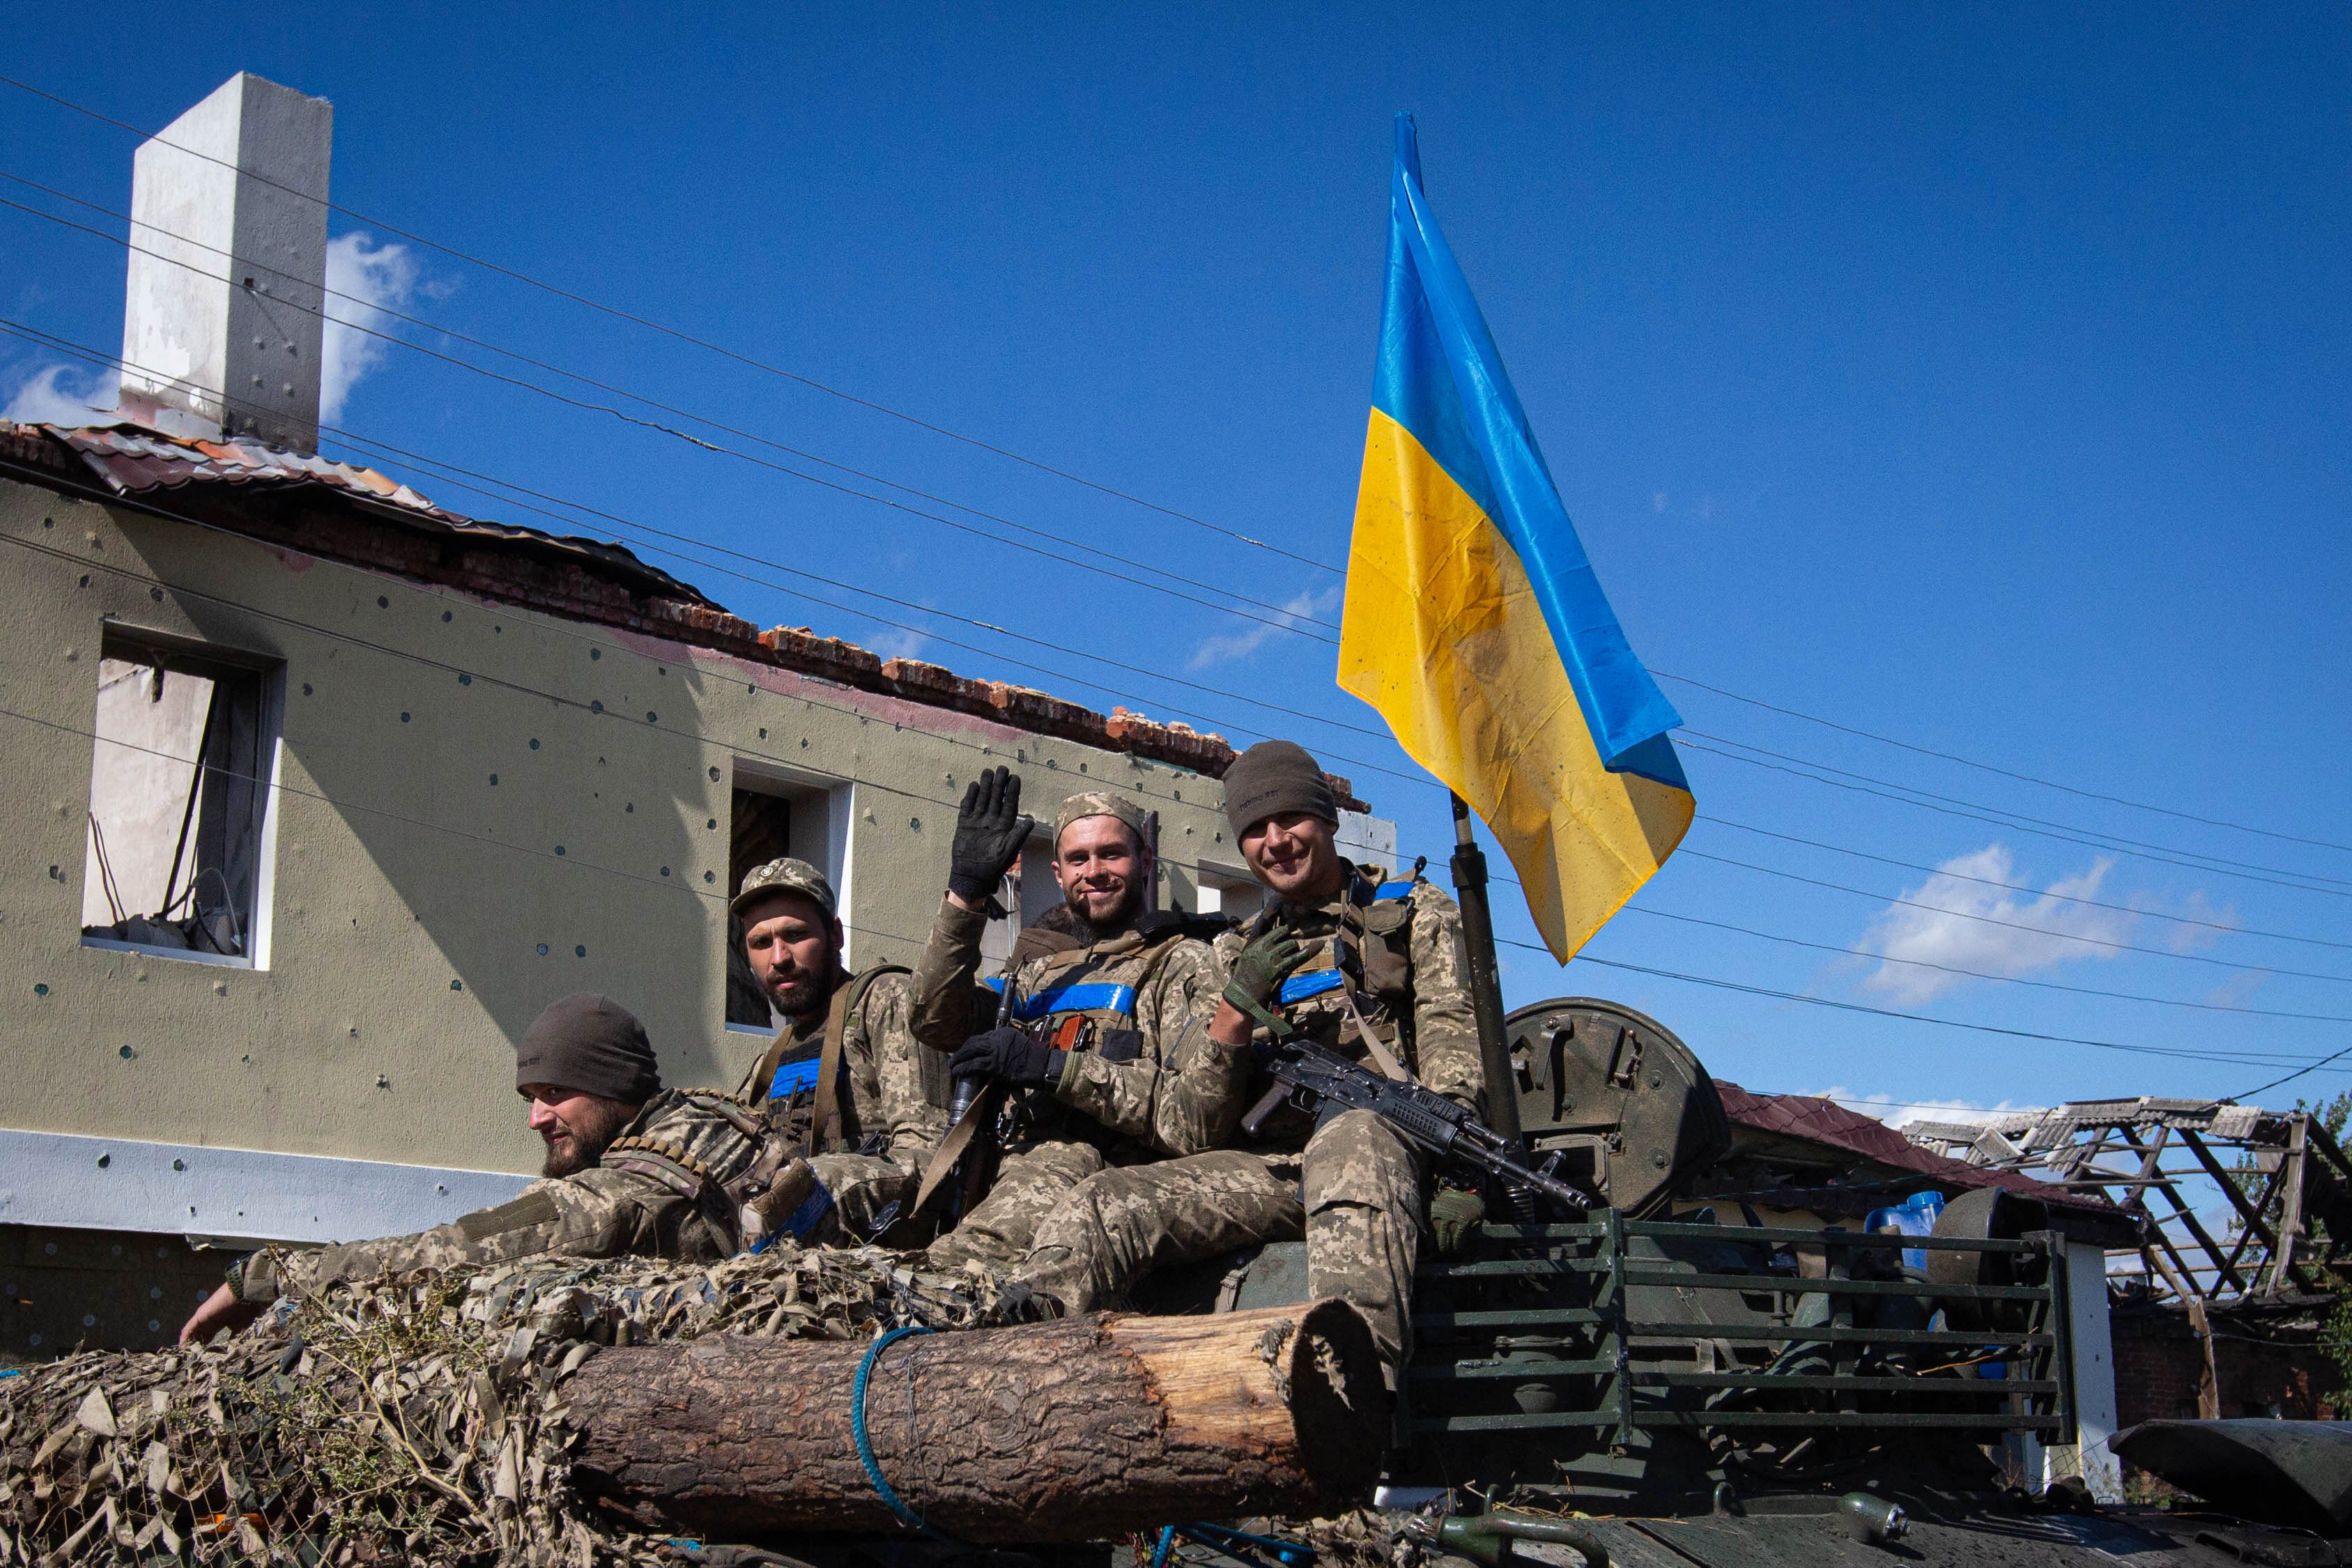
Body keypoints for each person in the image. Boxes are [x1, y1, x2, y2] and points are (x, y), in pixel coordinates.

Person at [1008, 739, 1482, 1382]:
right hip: (1275, 1168)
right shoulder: (1233, 950)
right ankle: (1010, 1373)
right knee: (1103, 1201)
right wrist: (1235, 1009)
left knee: (1352, 1137)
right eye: (1255, 828)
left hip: (1390, 1149)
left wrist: (1464, 1177)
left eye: (1291, 819)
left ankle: (1354, 1403)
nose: (1276, 840)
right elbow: (1194, 1121)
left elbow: (1456, 1042)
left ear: (1330, 820)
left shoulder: (1410, 914)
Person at [178, 992, 792, 1344]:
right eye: (530, 1098)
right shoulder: (704, 1120)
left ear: (613, 1086)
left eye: (555, 1093)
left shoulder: (618, 1195)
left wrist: (263, 1277)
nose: (537, 1119)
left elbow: (452, 1250)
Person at [910, 767, 1245, 1274]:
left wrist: (1054, 1069)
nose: (1094, 871)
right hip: (1002, 1170)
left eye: (1111, 854)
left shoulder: (1181, 964)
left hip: (1102, 1178)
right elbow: (932, 1018)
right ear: (1058, 875)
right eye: (1077, 859)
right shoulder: (1034, 976)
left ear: (1145, 862)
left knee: (949, 1276)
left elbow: (1191, 1120)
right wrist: (965, 896)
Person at [728, 856, 944, 1238]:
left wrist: (811, 1186)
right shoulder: (772, 1059)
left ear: (836, 935)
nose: (778, 959)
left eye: (794, 935)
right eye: (761, 943)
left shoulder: (881, 1000)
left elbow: (927, 1156)